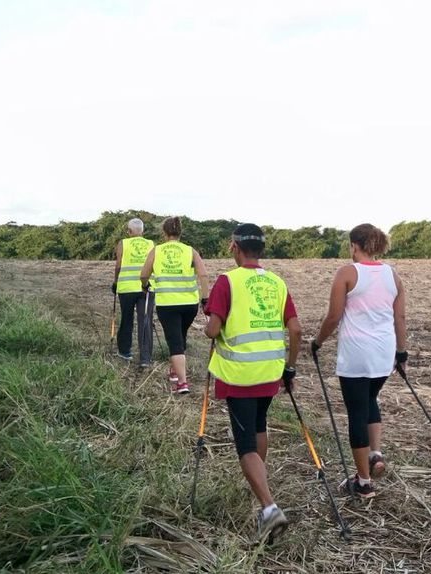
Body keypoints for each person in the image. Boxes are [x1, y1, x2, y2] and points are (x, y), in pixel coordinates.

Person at [203, 223, 301, 543]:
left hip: (239, 374)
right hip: (270, 372)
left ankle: (269, 508)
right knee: (259, 427)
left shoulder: (227, 281)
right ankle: (262, 486)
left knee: (245, 444)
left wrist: (208, 324)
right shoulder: (277, 281)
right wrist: (291, 369)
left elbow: (213, 330)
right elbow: (296, 329)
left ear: (234, 247)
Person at [311, 223, 407, 499]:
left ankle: (363, 482)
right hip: (383, 354)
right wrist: (402, 353)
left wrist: (317, 342)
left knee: (356, 412)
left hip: (356, 354)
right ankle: (375, 453)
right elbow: (399, 318)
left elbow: (333, 316)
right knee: (370, 401)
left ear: (355, 245)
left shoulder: (347, 273)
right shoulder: (393, 275)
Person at [140, 216, 210, 394]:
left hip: (168, 304)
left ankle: (182, 383)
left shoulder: (157, 251)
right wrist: (205, 298)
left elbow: (143, 274)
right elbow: (203, 275)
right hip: (189, 304)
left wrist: (145, 286)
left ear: (164, 232)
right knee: (180, 335)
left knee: (174, 341)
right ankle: (174, 369)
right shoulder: (190, 250)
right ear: (180, 232)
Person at [111, 218, 155, 367]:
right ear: (143, 231)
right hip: (146, 288)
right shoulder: (151, 244)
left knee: (126, 319)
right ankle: (145, 358)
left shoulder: (123, 243)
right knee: (145, 321)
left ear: (129, 231)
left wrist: (115, 282)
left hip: (126, 288)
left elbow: (118, 265)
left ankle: (125, 351)